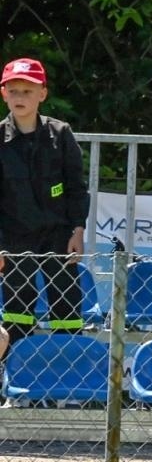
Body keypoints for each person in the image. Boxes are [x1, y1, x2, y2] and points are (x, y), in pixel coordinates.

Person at [0, 58, 89, 342]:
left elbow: (77, 186)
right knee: (17, 312)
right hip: (14, 237)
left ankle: (69, 373)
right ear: (3, 94)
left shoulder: (61, 134)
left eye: (27, 91)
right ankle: (12, 373)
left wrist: (78, 230)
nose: (20, 97)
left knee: (67, 308)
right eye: (13, 90)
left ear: (42, 94)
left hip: (59, 235)